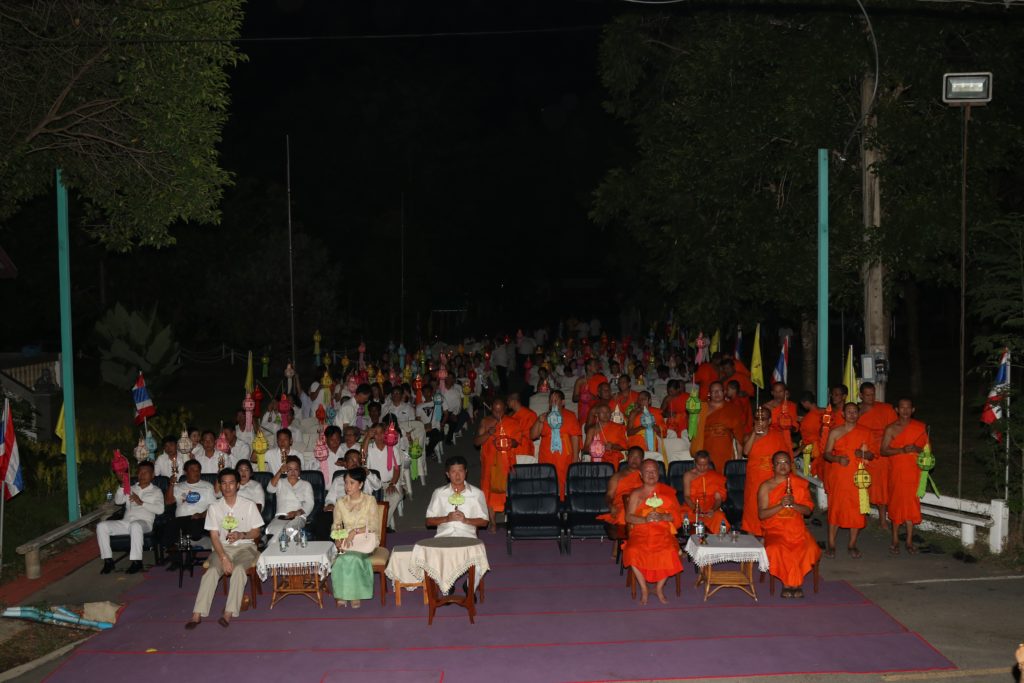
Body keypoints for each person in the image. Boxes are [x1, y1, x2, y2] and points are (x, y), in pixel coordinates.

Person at [184, 467, 263, 629]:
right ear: (219, 485)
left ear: (238, 485)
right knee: (212, 571)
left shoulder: (249, 505)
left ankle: (228, 612)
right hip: (222, 548)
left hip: (245, 548)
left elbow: (257, 531)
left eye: (231, 483)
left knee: (240, 570)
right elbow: (214, 536)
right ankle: (197, 614)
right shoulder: (214, 507)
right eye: (224, 483)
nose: (227, 487)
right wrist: (223, 558)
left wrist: (242, 535)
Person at [758, 451, 820, 598]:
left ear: (790, 465)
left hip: (797, 530)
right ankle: (789, 584)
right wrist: (780, 505)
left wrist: (794, 505)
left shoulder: (799, 484)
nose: (782, 466)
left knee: (809, 548)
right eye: (778, 463)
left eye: (785, 462)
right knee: (778, 549)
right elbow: (762, 514)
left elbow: (808, 510)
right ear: (773, 466)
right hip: (775, 530)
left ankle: (796, 583)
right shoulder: (766, 487)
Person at [622, 459, 684, 605]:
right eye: (647, 471)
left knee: (670, 551)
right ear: (641, 475)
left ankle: (659, 588)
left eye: (654, 471)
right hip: (641, 531)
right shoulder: (636, 494)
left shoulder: (667, 492)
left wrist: (663, 516)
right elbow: (628, 517)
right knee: (632, 551)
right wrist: (645, 520)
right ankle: (644, 589)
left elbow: (676, 517)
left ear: (659, 473)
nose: (651, 474)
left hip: (663, 531)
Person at [823, 403, 874, 558]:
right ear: (843, 414)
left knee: (857, 510)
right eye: (849, 412)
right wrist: (837, 458)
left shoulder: (865, 432)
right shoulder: (835, 432)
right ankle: (831, 543)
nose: (852, 414)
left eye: (855, 412)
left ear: (859, 414)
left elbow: (872, 455)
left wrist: (863, 454)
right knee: (836, 508)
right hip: (839, 475)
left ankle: (852, 544)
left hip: (858, 477)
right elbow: (826, 454)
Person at [97, 460, 164, 574]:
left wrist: (141, 502)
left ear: (152, 475)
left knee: (135, 525)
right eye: (140, 472)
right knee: (101, 526)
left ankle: (136, 561)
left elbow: (160, 510)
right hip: (126, 522)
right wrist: (122, 486)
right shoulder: (131, 488)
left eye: (146, 472)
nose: (142, 475)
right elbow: (118, 501)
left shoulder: (156, 491)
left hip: (144, 523)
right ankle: (108, 561)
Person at [329, 467, 381, 609]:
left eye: (351, 483)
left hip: (365, 540)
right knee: (341, 559)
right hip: (347, 542)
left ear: (361, 484)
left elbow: (374, 526)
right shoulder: (340, 502)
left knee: (352, 558)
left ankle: (354, 595)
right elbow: (336, 525)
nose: (347, 486)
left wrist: (355, 531)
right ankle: (342, 594)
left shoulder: (370, 500)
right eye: (346, 482)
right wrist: (338, 539)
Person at [881, 398, 927, 554]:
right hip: (897, 471)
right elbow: (883, 450)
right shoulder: (891, 429)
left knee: (911, 505)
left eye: (908, 408)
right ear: (897, 409)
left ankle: (908, 540)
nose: (905, 411)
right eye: (902, 408)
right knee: (896, 503)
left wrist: (916, 448)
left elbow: (927, 452)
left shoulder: (919, 428)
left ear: (913, 410)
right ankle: (894, 538)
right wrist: (902, 451)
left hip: (913, 473)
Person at [473, 398, 523, 531]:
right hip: (489, 464)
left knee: (509, 491)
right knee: (488, 492)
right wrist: (488, 434)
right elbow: (477, 442)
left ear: (505, 410)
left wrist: (509, 442)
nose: (498, 414)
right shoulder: (485, 422)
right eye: (495, 411)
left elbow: (517, 441)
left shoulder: (512, 422)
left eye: (500, 411)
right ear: (491, 408)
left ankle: (512, 518)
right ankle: (493, 522)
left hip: (507, 462)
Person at [741, 407, 790, 536]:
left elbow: (785, 457)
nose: (760, 421)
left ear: (769, 421)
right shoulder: (749, 436)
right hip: (754, 481)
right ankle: (752, 541)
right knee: (753, 510)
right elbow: (745, 452)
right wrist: (754, 434)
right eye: (757, 418)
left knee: (771, 509)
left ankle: (771, 537)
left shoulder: (777, 436)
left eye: (763, 418)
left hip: (772, 480)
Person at [857, 382, 899, 529]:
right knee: (862, 484)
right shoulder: (857, 412)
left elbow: (895, 428)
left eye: (873, 394)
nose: (870, 397)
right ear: (861, 395)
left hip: (881, 454)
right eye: (867, 395)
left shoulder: (885, 409)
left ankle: (882, 519)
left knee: (880, 487)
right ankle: (863, 515)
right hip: (864, 452)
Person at [531, 389, 582, 497]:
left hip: (565, 455)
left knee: (564, 481)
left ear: (562, 402)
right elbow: (533, 436)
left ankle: (562, 505)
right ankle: (549, 506)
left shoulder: (570, 416)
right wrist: (539, 421)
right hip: (547, 454)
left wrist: (575, 458)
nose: (553, 402)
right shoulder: (544, 417)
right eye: (551, 400)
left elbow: (575, 437)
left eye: (556, 400)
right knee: (546, 479)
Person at [425, 455, 489, 538]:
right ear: (448, 474)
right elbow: (428, 521)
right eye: (453, 472)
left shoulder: (477, 493)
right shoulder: (439, 493)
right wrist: (447, 518)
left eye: (460, 471)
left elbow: (484, 522)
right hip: (444, 537)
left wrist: (466, 520)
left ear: (466, 472)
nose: (457, 476)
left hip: (467, 537)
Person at [163, 459, 216, 558]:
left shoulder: (207, 486)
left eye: (198, 470)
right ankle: (174, 556)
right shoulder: (179, 487)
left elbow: (213, 507)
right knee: (170, 524)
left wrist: (201, 515)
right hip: (181, 519)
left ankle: (194, 546)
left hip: (200, 518)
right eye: (192, 470)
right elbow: (168, 502)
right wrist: (171, 485)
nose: (196, 473)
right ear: (185, 472)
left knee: (194, 526)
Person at [691, 382, 745, 473]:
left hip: (725, 450)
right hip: (705, 448)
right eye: (714, 391)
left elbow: (739, 436)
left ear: (724, 392)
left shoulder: (733, 409)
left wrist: (739, 457)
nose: (717, 393)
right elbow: (693, 429)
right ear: (709, 394)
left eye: (719, 391)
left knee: (724, 477)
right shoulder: (702, 408)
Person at [365, 422, 406, 530]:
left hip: (389, 483)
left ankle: (384, 525)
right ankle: (381, 525)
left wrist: (392, 483)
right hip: (373, 484)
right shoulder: (369, 448)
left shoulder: (392, 449)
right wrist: (367, 438)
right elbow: (362, 456)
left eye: (381, 433)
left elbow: (396, 469)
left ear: (386, 434)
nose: (379, 436)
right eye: (376, 433)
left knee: (396, 496)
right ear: (373, 435)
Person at [680, 450, 729, 533]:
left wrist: (713, 510)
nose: (702, 468)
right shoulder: (688, 475)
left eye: (705, 465)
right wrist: (695, 508)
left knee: (720, 518)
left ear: (709, 463)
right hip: (692, 507)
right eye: (699, 465)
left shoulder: (715, 476)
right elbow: (687, 496)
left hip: (710, 508)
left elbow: (718, 499)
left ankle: (717, 542)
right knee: (682, 518)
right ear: (695, 462)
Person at [265, 455, 314, 537]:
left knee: (288, 529)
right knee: (272, 530)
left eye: (296, 469)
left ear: (299, 470)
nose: (293, 472)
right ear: (286, 470)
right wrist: (280, 471)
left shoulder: (306, 484)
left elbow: (310, 504)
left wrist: (297, 512)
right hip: (280, 516)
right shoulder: (280, 482)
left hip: (298, 516)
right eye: (290, 469)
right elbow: (270, 489)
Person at [597, 446, 644, 527]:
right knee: (624, 515)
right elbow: (609, 495)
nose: (635, 459)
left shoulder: (646, 476)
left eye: (638, 457)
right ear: (627, 457)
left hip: (641, 504)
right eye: (632, 456)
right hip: (622, 506)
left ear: (642, 460)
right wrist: (610, 506)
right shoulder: (617, 476)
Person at [764, 382, 798, 453]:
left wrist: (788, 426)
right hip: (771, 440)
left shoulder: (791, 406)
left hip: (786, 440)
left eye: (780, 391)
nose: (778, 395)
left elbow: (795, 427)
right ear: (772, 393)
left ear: (786, 392)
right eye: (775, 392)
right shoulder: (766, 408)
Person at [573, 358, 608, 426]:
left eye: (597, 365)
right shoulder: (580, 381)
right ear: (588, 367)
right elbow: (574, 398)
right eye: (595, 365)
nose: (598, 367)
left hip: (599, 409)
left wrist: (595, 398)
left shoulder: (602, 378)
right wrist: (583, 396)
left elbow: (607, 395)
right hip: (585, 411)